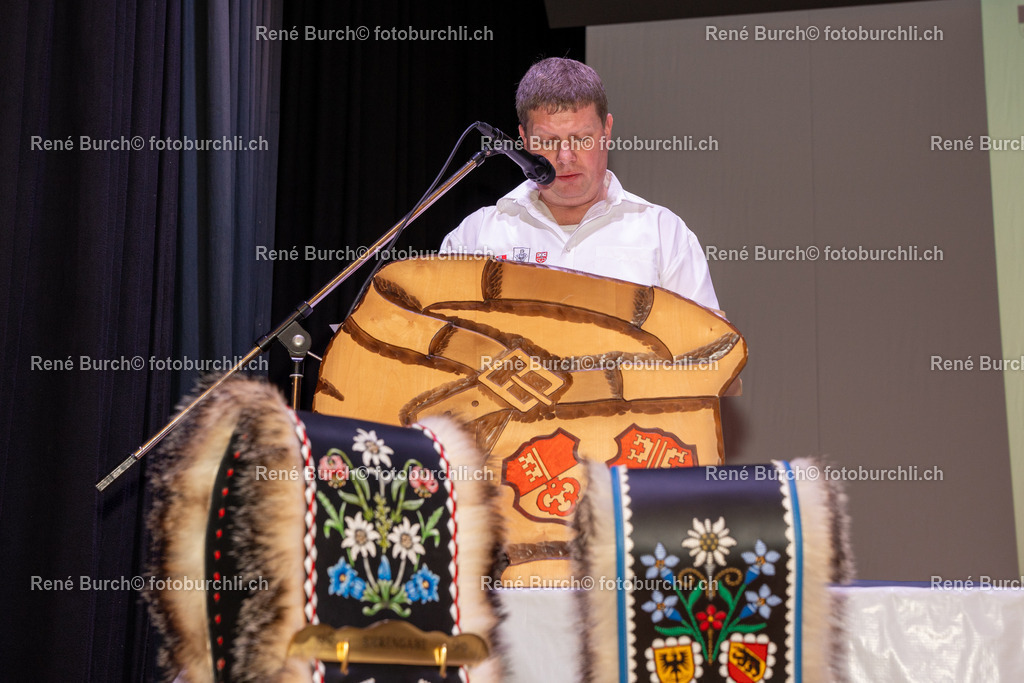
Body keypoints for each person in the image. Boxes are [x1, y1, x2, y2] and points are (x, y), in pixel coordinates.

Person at [440, 57, 720, 311]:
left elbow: (707, 356)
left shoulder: (664, 235)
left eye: (581, 139)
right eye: (548, 142)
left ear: (606, 131)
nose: (565, 158)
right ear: (523, 140)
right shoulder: (475, 237)